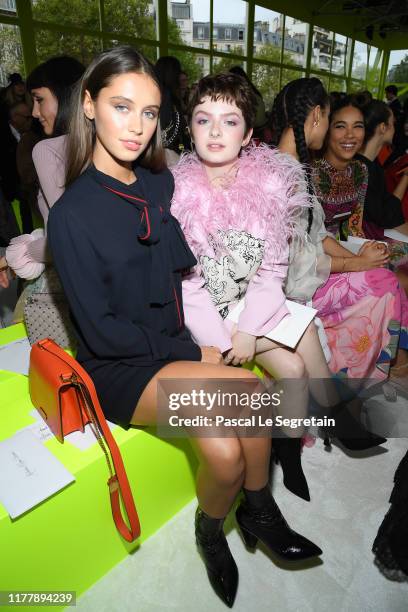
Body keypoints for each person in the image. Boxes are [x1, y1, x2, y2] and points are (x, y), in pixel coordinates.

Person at [47, 46, 322, 609]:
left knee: (225, 452)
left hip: (174, 347)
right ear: (90, 106)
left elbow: (221, 191)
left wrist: (265, 175)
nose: (137, 125)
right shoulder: (72, 214)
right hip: (120, 366)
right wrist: (198, 349)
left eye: (150, 113)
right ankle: (250, 517)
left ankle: (226, 519)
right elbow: (101, 333)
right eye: (122, 107)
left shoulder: (160, 185)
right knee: (250, 405)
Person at [171, 73, 385, 505]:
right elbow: (187, 285)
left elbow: (272, 271)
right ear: (189, 127)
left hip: (247, 303)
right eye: (203, 119)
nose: (215, 131)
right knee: (293, 364)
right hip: (203, 315)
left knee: (293, 368)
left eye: (229, 121)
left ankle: (291, 452)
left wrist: (249, 328)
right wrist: (222, 340)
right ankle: (323, 425)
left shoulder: (269, 185)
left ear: (248, 133)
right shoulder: (175, 192)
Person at [271, 78, 408, 382]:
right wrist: (356, 263)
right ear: (319, 116)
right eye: (335, 122)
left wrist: (359, 259)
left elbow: (318, 234)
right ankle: (353, 376)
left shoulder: (293, 166)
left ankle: (361, 370)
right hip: (289, 294)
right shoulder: (284, 175)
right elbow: (295, 265)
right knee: (384, 283)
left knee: (381, 273)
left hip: (309, 275)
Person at [0, 56, 84, 307]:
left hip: (82, 297)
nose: (35, 113)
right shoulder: (107, 147)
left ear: (64, 95)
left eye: (39, 100)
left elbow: (63, 242)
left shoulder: (49, 150)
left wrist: (14, 257)